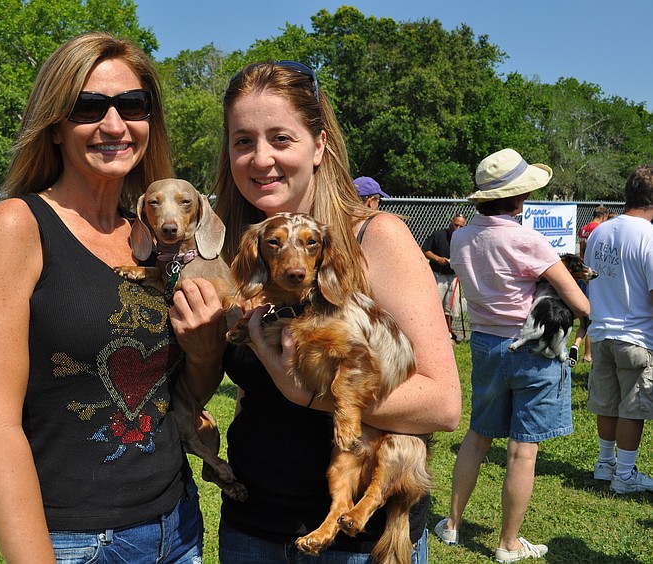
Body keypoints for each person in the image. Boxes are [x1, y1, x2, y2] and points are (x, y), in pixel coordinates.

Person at [0, 32, 225, 563]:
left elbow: (183, 391)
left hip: (178, 526)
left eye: (133, 105)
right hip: (80, 543)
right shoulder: (17, 225)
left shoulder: (148, 241)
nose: (115, 125)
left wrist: (205, 350)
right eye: (88, 107)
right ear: (55, 126)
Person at [212, 60, 461, 564]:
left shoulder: (377, 237)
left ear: (319, 145)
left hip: (355, 544)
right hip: (252, 526)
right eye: (243, 141)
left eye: (281, 138)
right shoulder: (249, 250)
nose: (261, 158)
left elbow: (442, 405)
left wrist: (305, 394)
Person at [435, 148, 589, 562]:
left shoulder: (462, 236)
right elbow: (580, 305)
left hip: (486, 344)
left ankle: (451, 525)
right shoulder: (528, 240)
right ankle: (508, 544)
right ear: (518, 197)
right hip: (533, 351)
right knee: (523, 450)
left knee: (477, 436)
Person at [585, 165, 653, 494]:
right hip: (636, 335)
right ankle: (624, 475)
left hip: (601, 332)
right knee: (632, 407)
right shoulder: (648, 235)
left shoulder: (600, 232)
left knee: (607, 402)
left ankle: (605, 463)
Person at [569, 204, 609, 364]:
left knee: (584, 318)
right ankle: (588, 355)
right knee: (591, 318)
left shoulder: (583, 228)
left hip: (581, 272)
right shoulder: (598, 229)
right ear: (604, 216)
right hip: (589, 272)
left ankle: (576, 345)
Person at [422, 214, 468, 341]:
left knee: (451, 307)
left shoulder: (464, 239)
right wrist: (438, 259)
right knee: (435, 304)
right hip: (438, 275)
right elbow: (425, 250)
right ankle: (431, 331)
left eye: (461, 226)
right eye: (456, 224)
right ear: (451, 222)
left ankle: (448, 331)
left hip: (453, 276)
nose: (458, 228)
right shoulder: (438, 234)